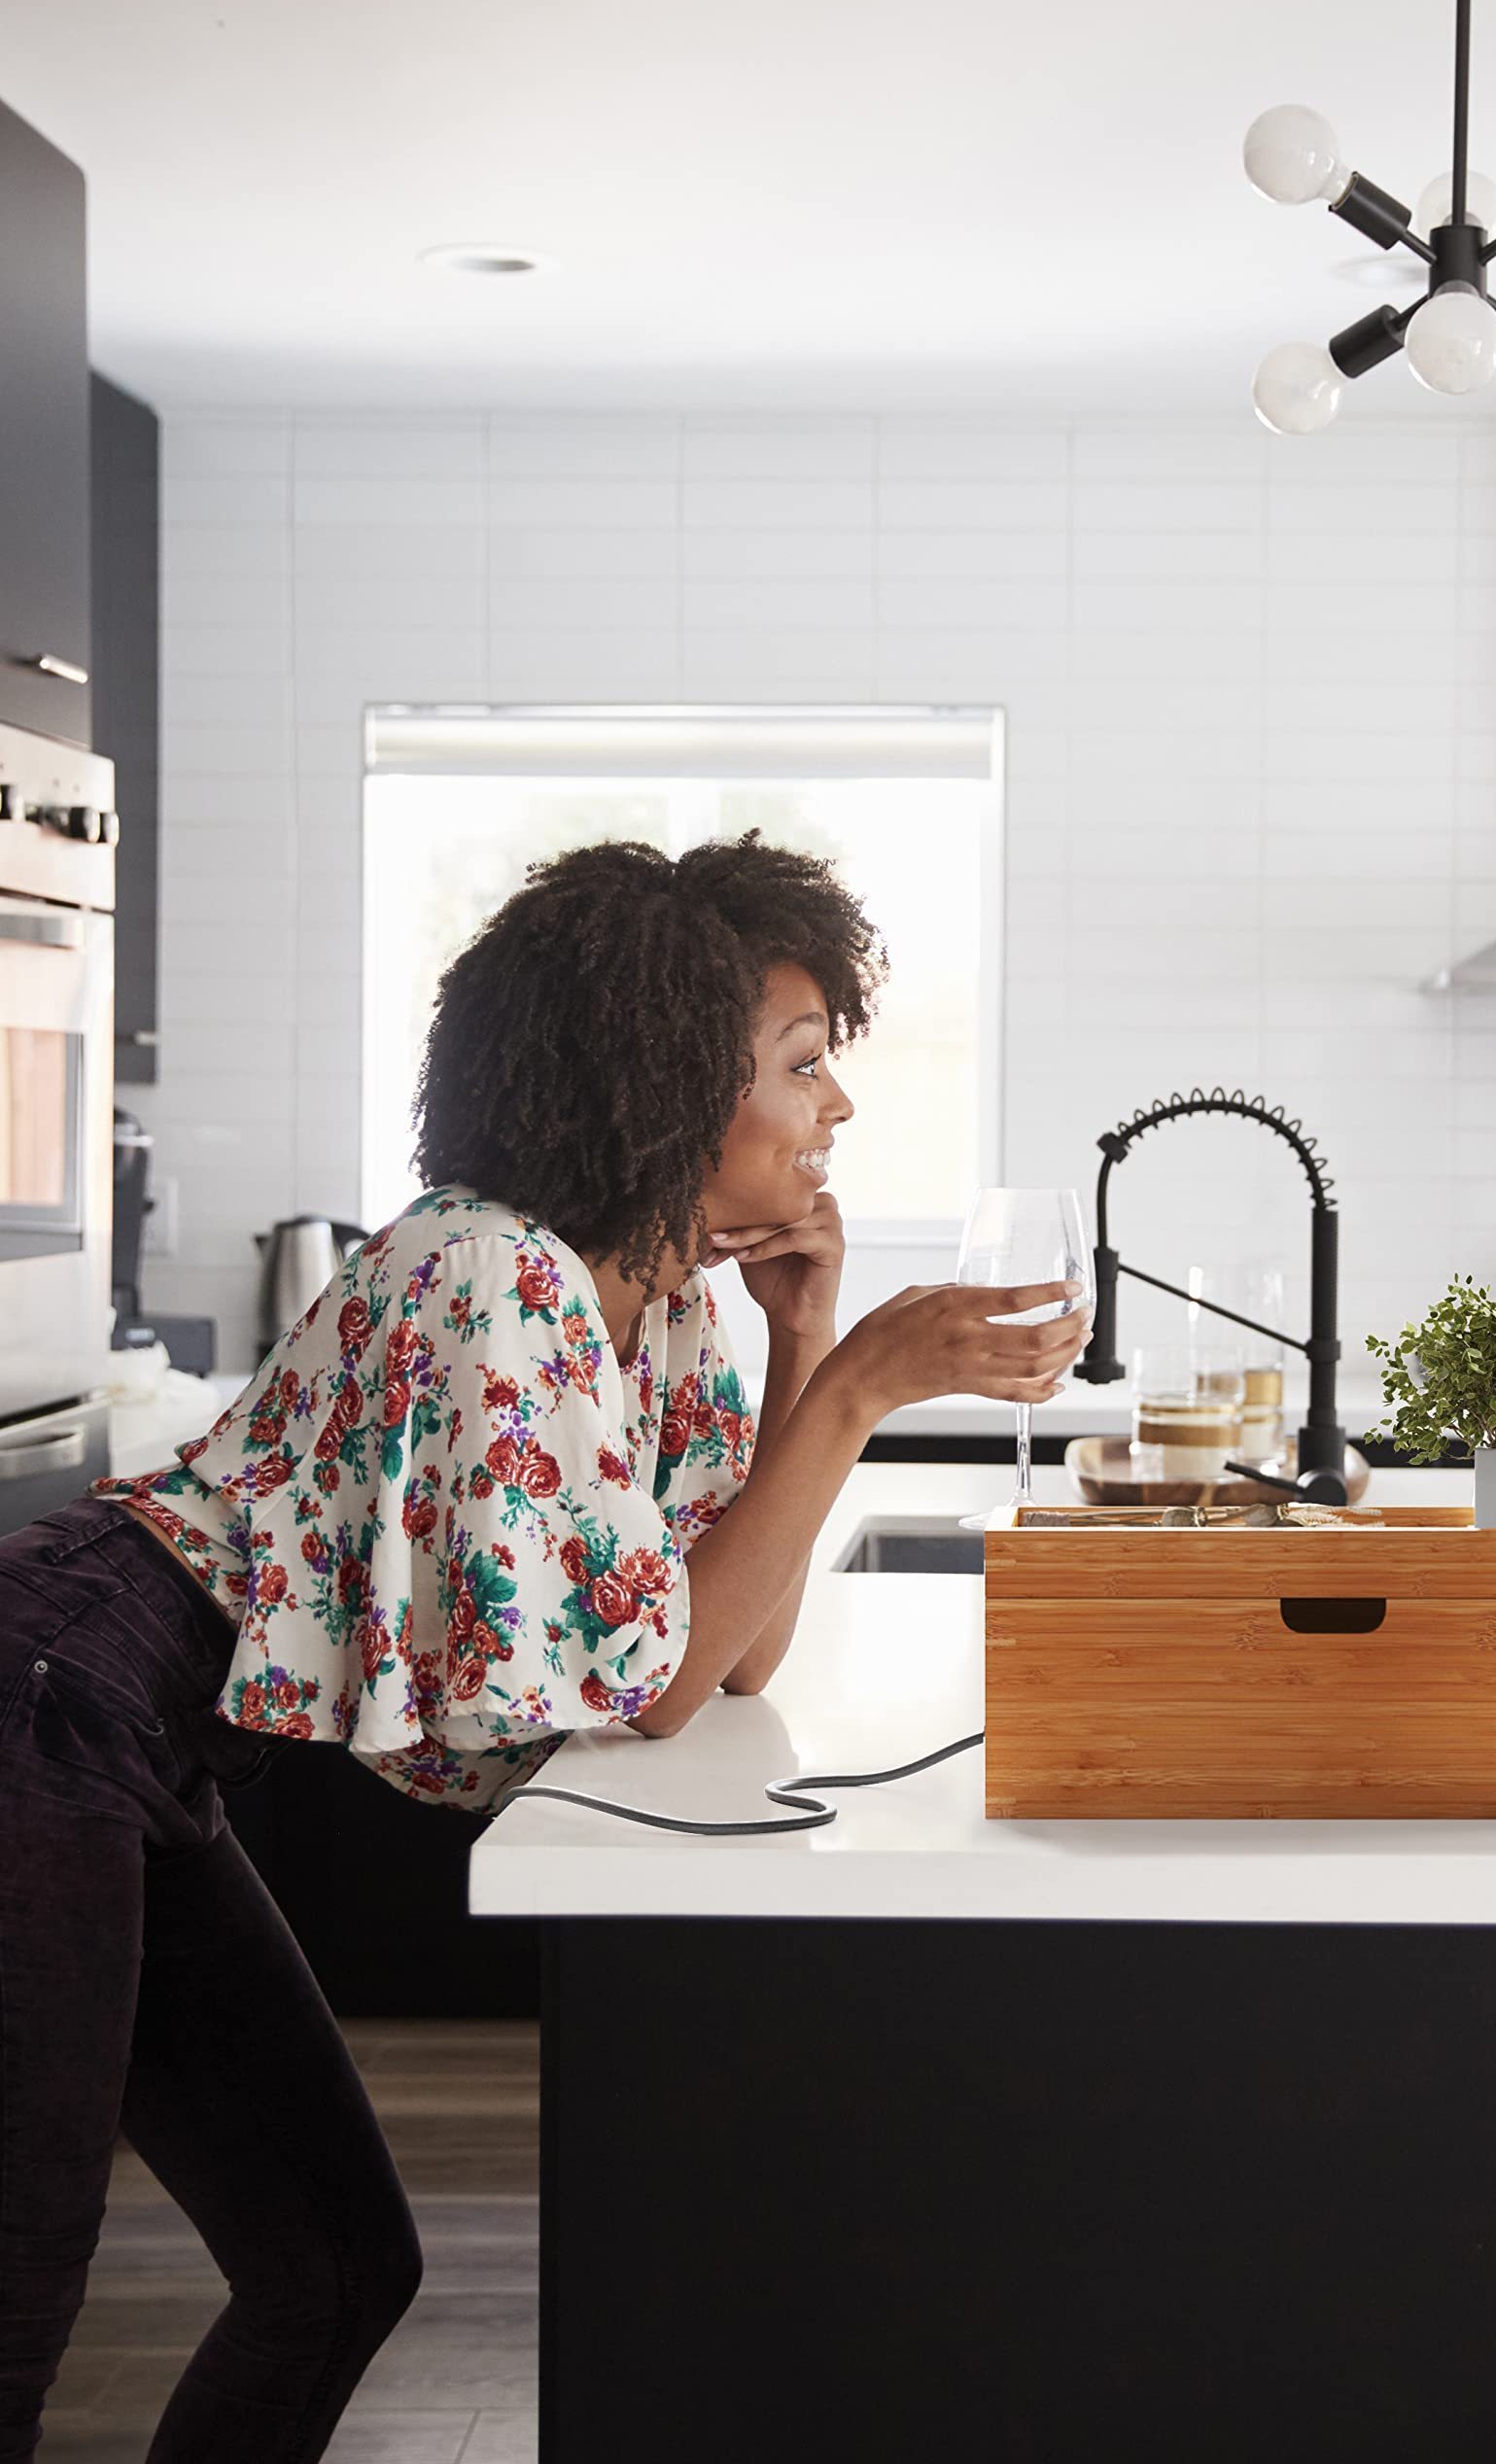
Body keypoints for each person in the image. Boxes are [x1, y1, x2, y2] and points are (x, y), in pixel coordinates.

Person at [0, 834, 1086, 2460]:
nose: (835, 1110)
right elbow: (653, 1686)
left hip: (147, 1744)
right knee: (20, 2291)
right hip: (54, 1696)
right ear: (663, 1083)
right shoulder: (491, 1275)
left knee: (337, 2265)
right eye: (799, 1066)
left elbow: (734, 1653)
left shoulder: (667, 1312)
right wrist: (862, 1384)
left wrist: (804, 1346)